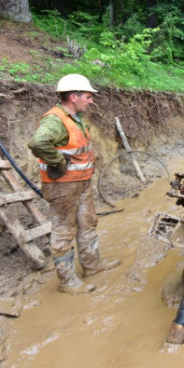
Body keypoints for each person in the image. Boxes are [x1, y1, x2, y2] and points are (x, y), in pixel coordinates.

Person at [28, 74, 120, 294]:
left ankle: (93, 266)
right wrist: (58, 162)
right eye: (88, 96)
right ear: (73, 97)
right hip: (63, 186)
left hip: (81, 183)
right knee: (63, 231)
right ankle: (67, 282)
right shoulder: (55, 120)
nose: (91, 101)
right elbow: (38, 143)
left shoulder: (74, 119)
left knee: (88, 223)